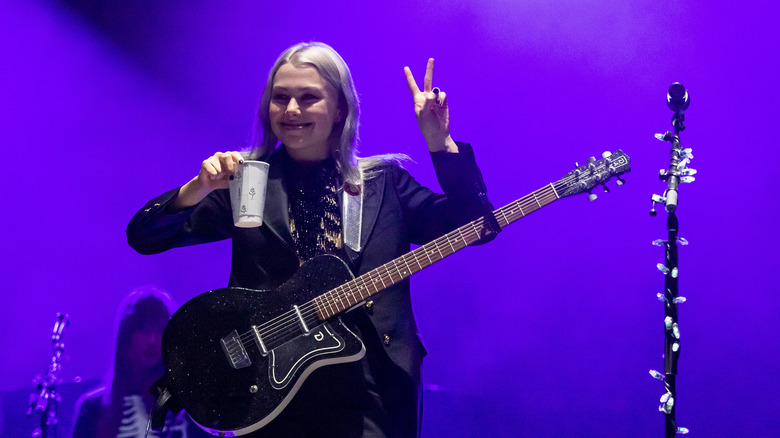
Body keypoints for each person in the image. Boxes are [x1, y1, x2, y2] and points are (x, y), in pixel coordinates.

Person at [126, 41, 494, 437]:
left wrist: (441, 143)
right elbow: (144, 236)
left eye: (308, 98)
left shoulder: (383, 184)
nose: (292, 110)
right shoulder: (247, 180)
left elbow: (477, 226)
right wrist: (197, 188)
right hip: (268, 390)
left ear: (339, 110)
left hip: (372, 391)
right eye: (280, 98)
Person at [71, 285, 210, 438]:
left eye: (160, 331)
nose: (152, 340)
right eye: (144, 330)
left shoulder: (189, 406)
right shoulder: (93, 408)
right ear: (127, 337)